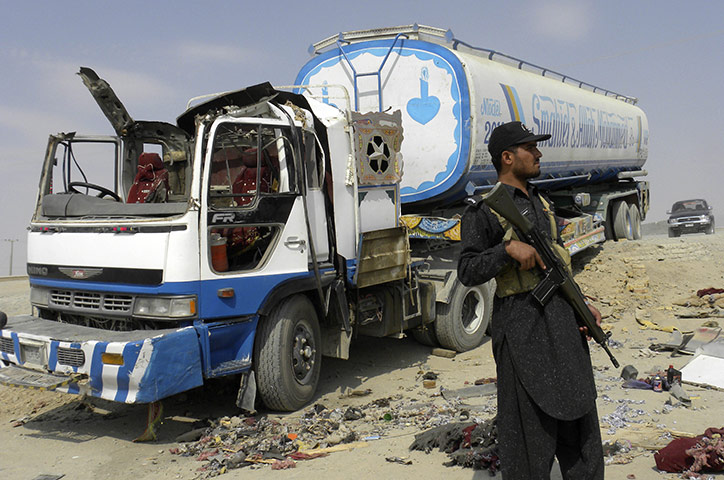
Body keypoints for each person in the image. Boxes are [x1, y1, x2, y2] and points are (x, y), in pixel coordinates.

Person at [457, 121, 604, 479]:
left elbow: (558, 263)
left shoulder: (542, 202)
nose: (538, 154)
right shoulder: (484, 211)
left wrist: (582, 305)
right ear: (508, 157)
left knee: (581, 426)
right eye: (530, 148)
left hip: (563, 326)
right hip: (522, 331)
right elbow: (468, 269)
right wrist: (507, 249)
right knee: (528, 439)